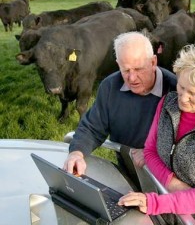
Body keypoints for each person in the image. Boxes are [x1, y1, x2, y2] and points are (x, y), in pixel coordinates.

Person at [118, 43, 195, 224]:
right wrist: (171, 185)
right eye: (182, 87)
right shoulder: (167, 104)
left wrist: (157, 202)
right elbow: (150, 151)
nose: (183, 98)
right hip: (170, 212)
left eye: (193, 93)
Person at [63, 31, 177, 179]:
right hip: (128, 169)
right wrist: (76, 153)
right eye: (126, 70)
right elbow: (92, 128)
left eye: (138, 69)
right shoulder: (110, 86)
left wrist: (153, 152)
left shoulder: (176, 90)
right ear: (118, 65)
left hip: (166, 179)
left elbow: (189, 143)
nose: (132, 78)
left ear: (153, 62)